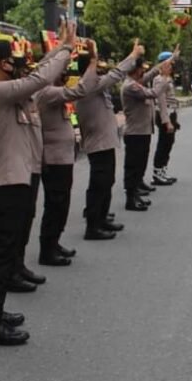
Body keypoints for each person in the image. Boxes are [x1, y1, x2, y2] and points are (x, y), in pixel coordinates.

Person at [0, 22, 75, 346]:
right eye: (12, 61)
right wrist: (66, 48)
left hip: (10, 180)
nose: (16, 66)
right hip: (6, 183)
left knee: (1, 251)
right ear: (2, 64)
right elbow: (39, 78)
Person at [33, 39, 102, 266]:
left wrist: (63, 45)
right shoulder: (46, 92)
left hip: (62, 157)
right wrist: (92, 62)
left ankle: (54, 243)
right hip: (53, 159)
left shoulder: (48, 90)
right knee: (55, 204)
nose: (63, 72)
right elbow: (80, 89)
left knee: (61, 204)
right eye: (60, 70)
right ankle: (47, 249)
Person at [74, 41, 144, 239]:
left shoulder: (96, 86)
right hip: (98, 143)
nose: (101, 68)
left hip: (105, 142)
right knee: (99, 184)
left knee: (106, 182)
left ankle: (102, 219)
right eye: (97, 65)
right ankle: (93, 226)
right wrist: (132, 54)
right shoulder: (88, 86)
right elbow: (117, 73)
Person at [121, 54, 168, 211]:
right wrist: (165, 78)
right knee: (133, 167)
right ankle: (131, 197)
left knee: (140, 165)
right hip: (135, 133)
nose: (143, 71)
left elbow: (149, 75)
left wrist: (166, 62)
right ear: (136, 70)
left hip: (142, 132)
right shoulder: (131, 86)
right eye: (141, 68)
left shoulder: (135, 82)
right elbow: (153, 93)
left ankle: (135, 194)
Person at [151, 49, 180, 186]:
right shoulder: (159, 80)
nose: (172, 66)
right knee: (163, 144)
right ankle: (157, 173)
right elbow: (161, 101)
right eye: (169, 64)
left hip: (170, 114)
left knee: (168, 144)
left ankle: (163, 171)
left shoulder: (167, 78)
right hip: (165, 115)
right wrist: (167, 121)